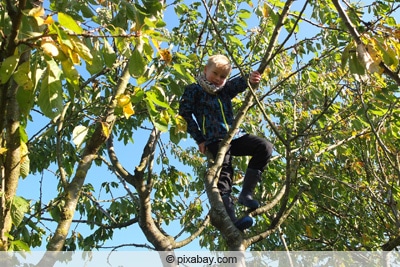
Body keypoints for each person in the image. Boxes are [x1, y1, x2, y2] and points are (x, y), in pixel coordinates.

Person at [179, 54, 273, 231]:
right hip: (214, 139)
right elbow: (184, 113)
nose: (218, 79)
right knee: (225, 172)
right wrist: (199, 138)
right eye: (215, 74)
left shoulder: (224, 90)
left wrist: (251, 78)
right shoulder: (194, 90)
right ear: (205, 70)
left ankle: (246, 194)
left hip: (233, 136)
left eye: (223, 76)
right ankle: (231, 219)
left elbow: (237, 83)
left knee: (264, 146)